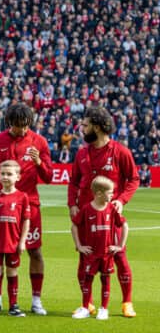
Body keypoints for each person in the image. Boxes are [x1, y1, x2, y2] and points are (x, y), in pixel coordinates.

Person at [68, 107, 139, 318]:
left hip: (110, 217)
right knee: (85, 258)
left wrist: (121, 200)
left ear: (97, 128)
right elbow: (73, 182)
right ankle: (87, 303)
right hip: (86, 216)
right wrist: (72, 203)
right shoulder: (81, 153)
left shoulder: (120, 152)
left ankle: (127, 302)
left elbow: (134, 179)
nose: (82, 129)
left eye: (85, 125)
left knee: (119, 257)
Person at [0, 103, 52, 315]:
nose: (22, 129)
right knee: (0, 251)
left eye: (25, 125)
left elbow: (49, 177)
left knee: (35, 251)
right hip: (3, 207)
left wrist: (39, 161)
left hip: (30, 205)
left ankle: (36, 300)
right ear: (9, 123)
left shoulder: (39, 141)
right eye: (17, 126)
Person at [71, 176, 129, 320]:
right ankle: (85, 307)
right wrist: (79, 246)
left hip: (106, 253)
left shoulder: (112, 209)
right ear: (98, 194)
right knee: (87, 280)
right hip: (91, 253)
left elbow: (125, 225)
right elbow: (74, 226)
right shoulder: (86, 209)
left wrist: (120, 245)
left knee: (105, 280)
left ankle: (104, 309)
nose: (112, 195)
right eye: (110, 193)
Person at [0, 160, 30, 318]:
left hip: (13, 242)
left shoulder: (22, 197)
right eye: (2, 174)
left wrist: (23, 241)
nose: (5, 177)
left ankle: (13, 305)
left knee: (12, 272)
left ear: (18, 177)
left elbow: (25, 220)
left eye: (9, 174)